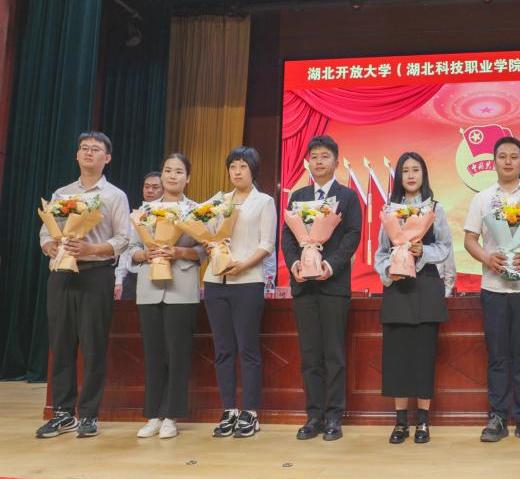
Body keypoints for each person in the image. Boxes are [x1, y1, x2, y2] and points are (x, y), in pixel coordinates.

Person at [36, 131, 130, 438]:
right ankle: (63, 413)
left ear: (107, 158)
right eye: (84, 148)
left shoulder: (115, 196)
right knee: (61, 344)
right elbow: (45, 231)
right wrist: (50, 245)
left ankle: (89, 413)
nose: (89, 153)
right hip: (62, 274)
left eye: (96, 149)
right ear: (77, 155)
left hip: (96, 274)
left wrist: (93, 249)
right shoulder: (62, 193)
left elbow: (124, 239)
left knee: (93, 345)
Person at [464, 136, 520, 443]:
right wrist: (487, 258)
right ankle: (498, 417)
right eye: (502, 156)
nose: (507, 161)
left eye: (513, 156)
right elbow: (470, 239)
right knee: (498, 354)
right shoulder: (482, 199)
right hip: (494, 287)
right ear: (493, 162)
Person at [282, 135, 362, 441]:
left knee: (333, 353)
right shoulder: (298, 196)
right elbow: (287, 237)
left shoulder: (347, 197)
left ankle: (334, 416)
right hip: (304, 285)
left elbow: (352, 235)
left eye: (325, 156)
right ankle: (313, 415)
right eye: (314, 156)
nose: (319, 161)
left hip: (333, 286)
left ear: (336, 162)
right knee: (310, 354)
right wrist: (294, 264)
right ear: (308, 162)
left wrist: (330, 265)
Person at [374, 152, 452, 444]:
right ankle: (400, 423)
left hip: (426, 287)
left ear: (423, 174)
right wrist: (389, 270)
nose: (410, 175)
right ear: (399, 176)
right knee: (397, 358)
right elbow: (381, 252)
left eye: (415, 170)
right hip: (397, 289)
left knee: (423, 357)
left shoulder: (435, 209)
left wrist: (423, 252)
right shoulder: (388, 210)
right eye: (405, 170)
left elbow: (445, 247)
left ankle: (423, 422)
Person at [128, 154, 204, 439]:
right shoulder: (144, 210)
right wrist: (145, 254)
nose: (172, 176)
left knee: (178, 354)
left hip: (181, 289)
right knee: (153, 354)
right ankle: (153, 415)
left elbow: (205, 249)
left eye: (179, 171)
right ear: (161, 176)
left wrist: (179, 251)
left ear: (188, 178)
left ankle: (171, 415)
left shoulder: (196, 211)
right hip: (149, 288)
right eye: (168, 171)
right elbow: (130, 250)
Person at [203, 146, 277, 438]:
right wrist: (209, 244)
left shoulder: (264, 202)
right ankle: (229, 410)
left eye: (243, 166)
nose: (237, 171)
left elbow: (267, 244)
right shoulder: (217, 201)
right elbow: (206, 233)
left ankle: (250, 412)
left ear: (253, 170)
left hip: (248, 281)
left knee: (247, 349)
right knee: (223, 350)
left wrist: (243, 264)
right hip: (215, 281)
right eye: (233, 166)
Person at [115, 171, 163, 301]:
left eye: (155, 187)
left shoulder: (171, 214)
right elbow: (126, 249)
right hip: (134, 275)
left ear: (164, 189)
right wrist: (119, 280)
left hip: (162, 273)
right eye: (146, 186)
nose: (150, 190)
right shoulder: (135, 215)